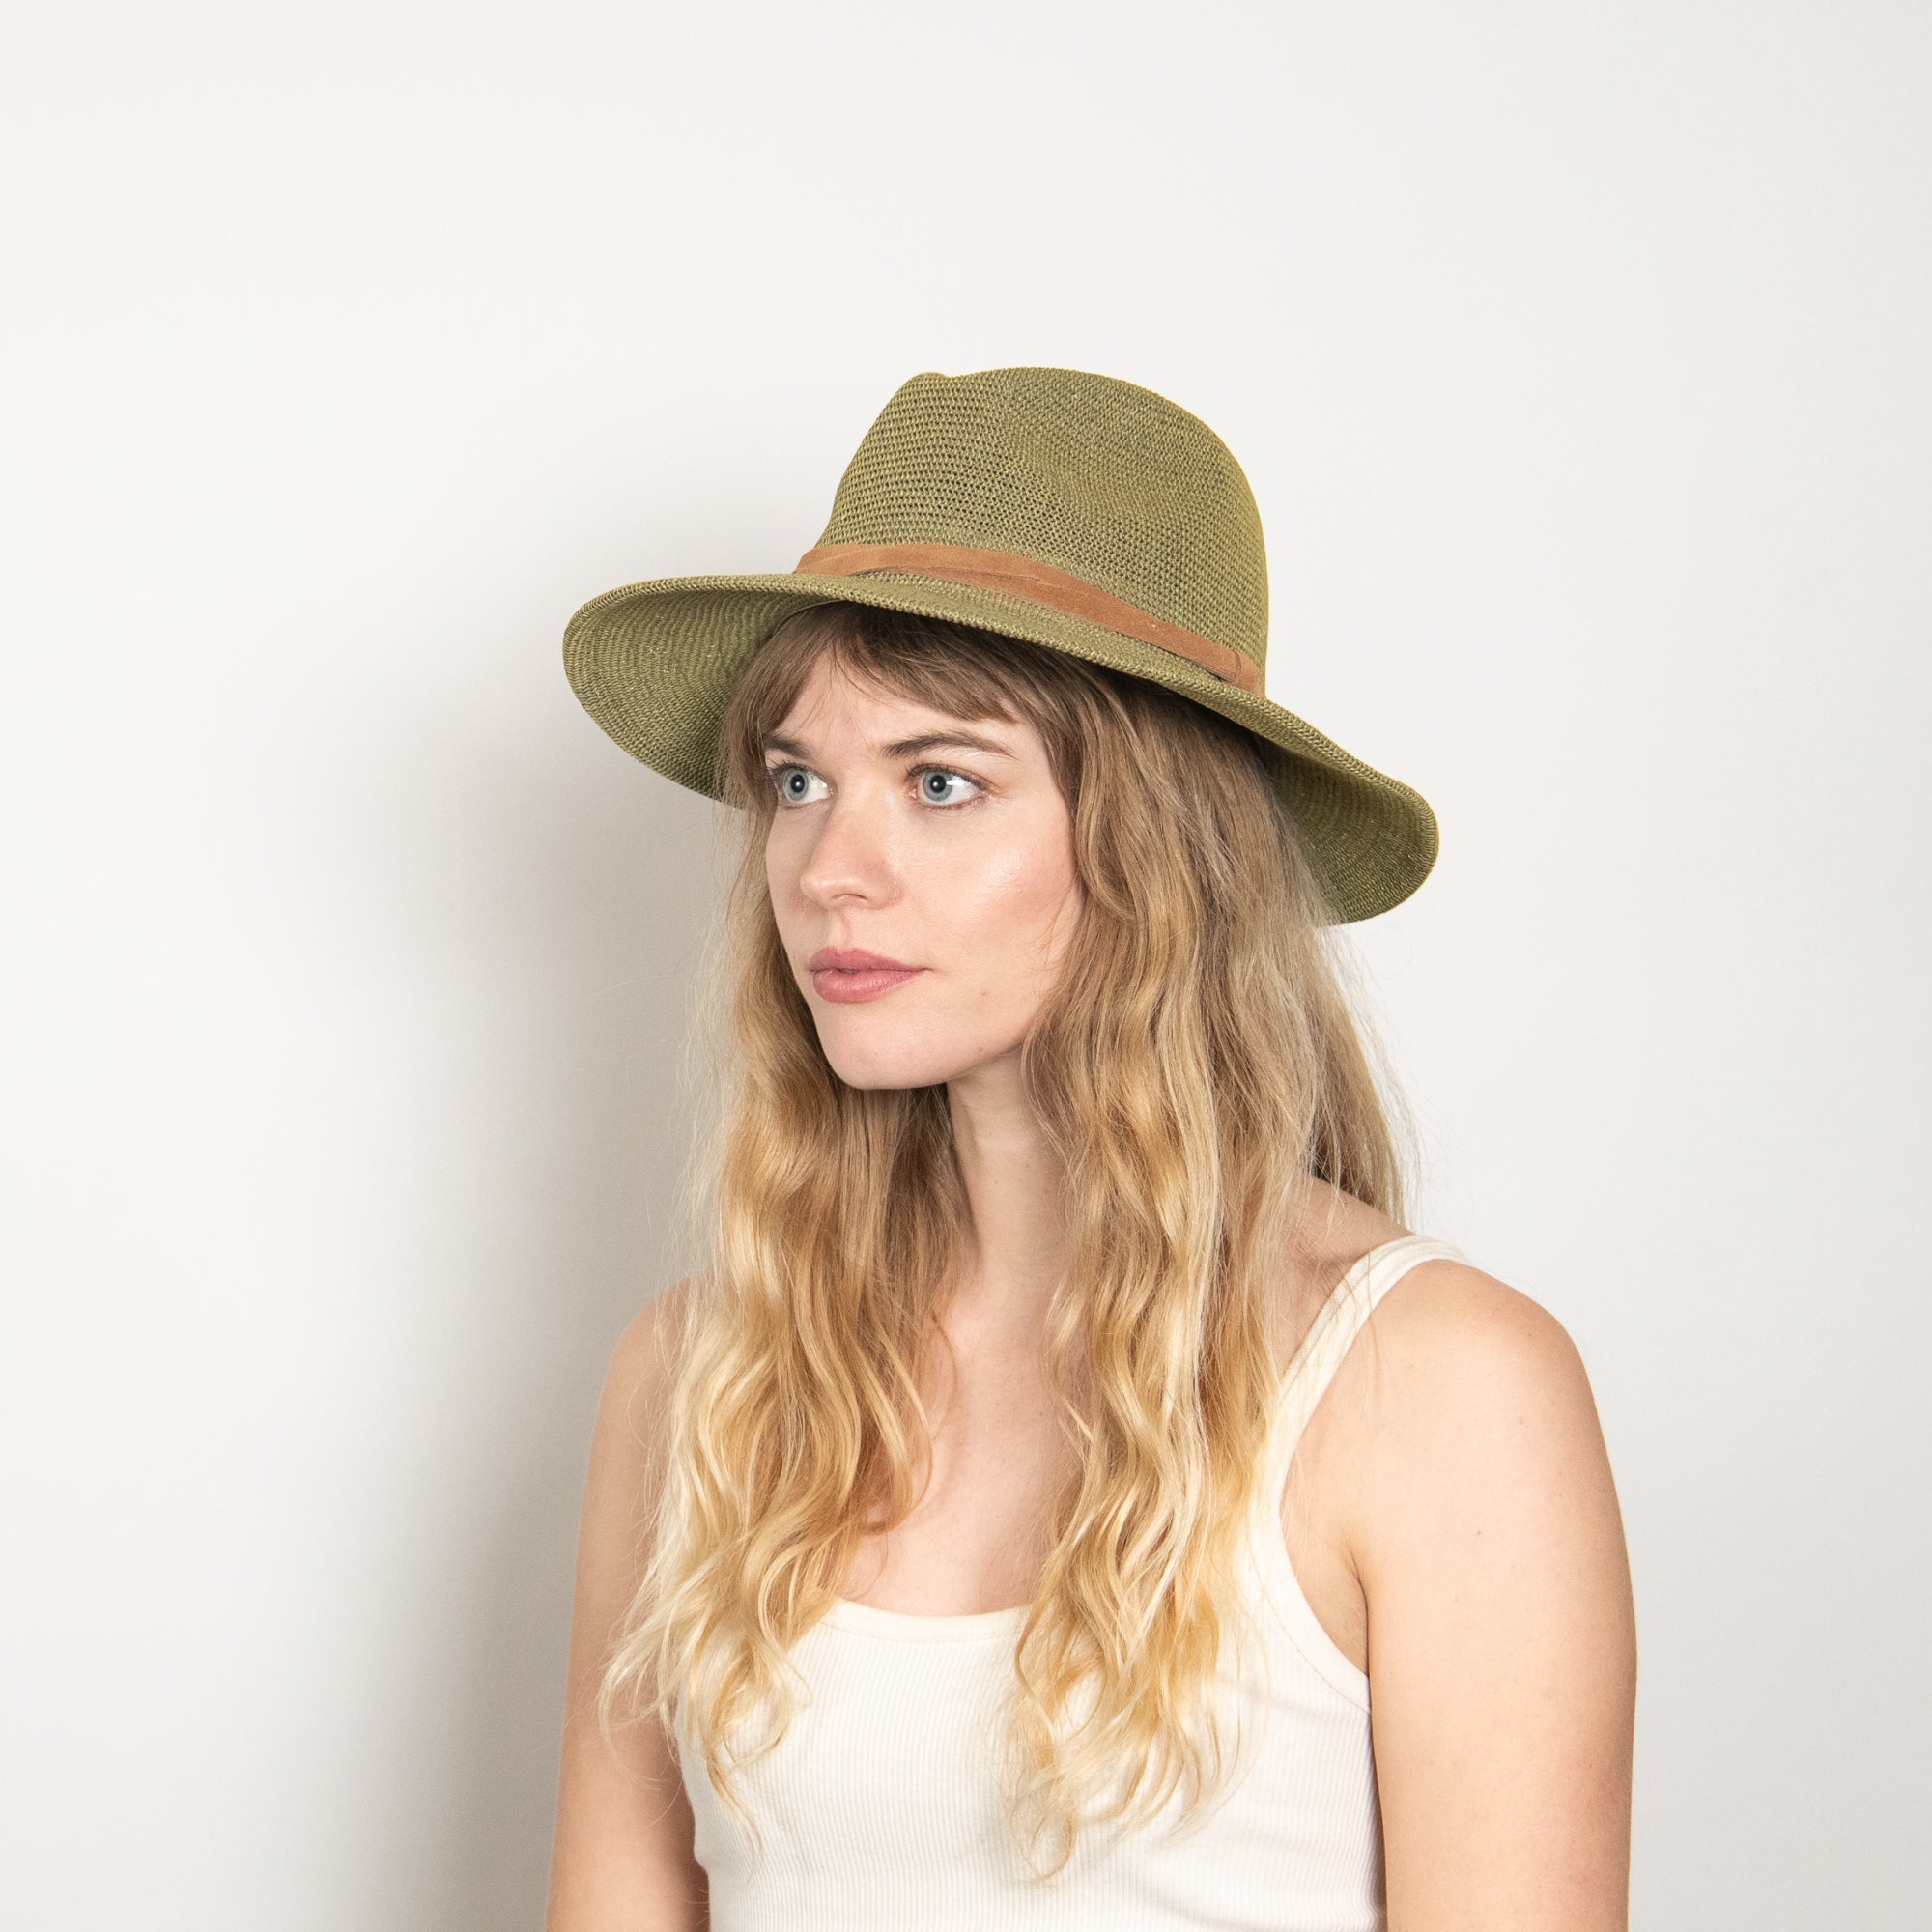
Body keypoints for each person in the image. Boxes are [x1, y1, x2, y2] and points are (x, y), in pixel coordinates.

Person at [543, 366, 1637, 1931]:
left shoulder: (1438, 1389)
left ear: (1154, 851)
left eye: (940, 782)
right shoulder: (699, 1376)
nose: (829, 871)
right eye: (799, 780)